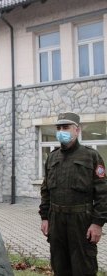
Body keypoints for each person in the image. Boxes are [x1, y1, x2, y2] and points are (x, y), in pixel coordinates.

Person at [39, 112, 107, 275]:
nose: (62, 130)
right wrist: (45, 217)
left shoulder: (91, 156)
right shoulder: (52, 157)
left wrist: (97, 223)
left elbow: (103, 192)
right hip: (57, 222)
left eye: (66, 127)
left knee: (83, 268)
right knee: (60, 267)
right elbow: (46, 190)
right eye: (59, 127)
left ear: (77, 130)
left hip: (81, 222)